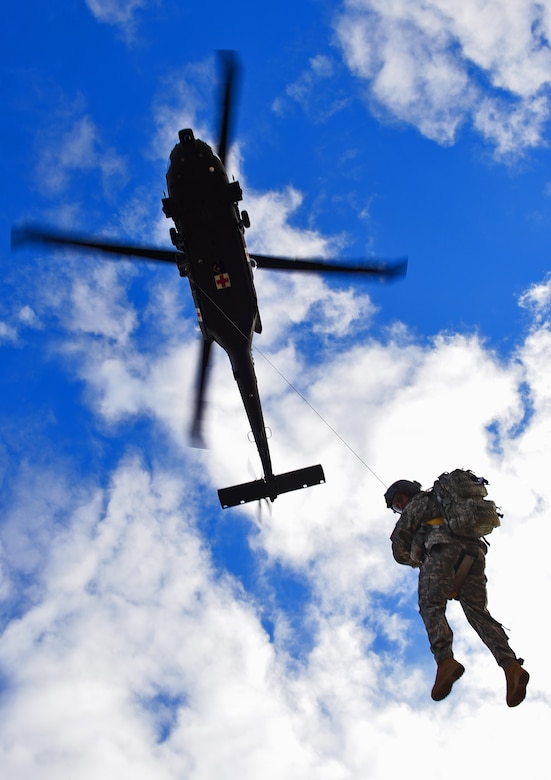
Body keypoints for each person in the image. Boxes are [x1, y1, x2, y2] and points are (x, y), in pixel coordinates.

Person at [384, 478, 529, 706]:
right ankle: (511, 666)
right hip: (473, 553)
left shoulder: (419, 503)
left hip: (442, 548)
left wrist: (416, 553)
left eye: (400, 499)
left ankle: (445, 661)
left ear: (409, 493)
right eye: (396, 505)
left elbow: (398, 547)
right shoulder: (445, 500)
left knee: (430, 604)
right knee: (478, 614)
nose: (401, 505)